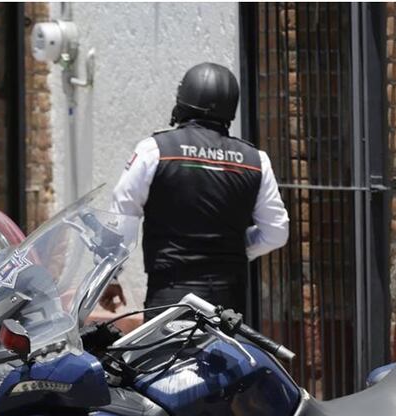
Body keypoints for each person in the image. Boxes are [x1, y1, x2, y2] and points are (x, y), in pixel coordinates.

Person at [100, 62, 289, 319]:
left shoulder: (154, 150)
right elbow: (277, 232)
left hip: (171, 295)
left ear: (185, 100)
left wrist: (110, 276)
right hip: (229, 300)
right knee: (226, 359)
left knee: (164, 359)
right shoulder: (256, 160)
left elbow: (121, 213)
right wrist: (236, 249)